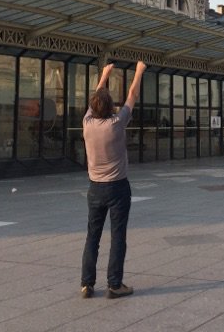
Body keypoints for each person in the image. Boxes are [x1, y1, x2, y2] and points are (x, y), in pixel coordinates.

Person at [80, 60, 147, 299]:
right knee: (118, 235)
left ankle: (87, 284)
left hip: (94, 188)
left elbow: (95, 101)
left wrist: (104, 76)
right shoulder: (117, 124)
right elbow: (132, 94)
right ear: (110, 108)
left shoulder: (87, 124)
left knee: (93, 235)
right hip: (118, 187)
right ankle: (114, 284)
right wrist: (138, 71)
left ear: (92, 106)